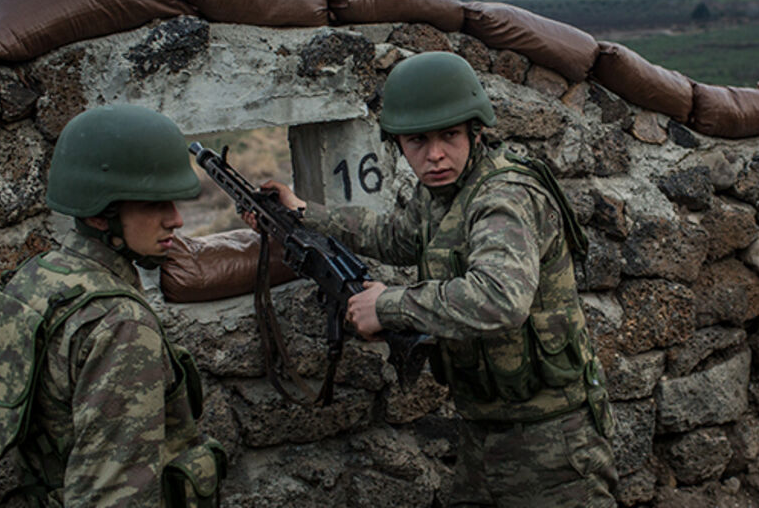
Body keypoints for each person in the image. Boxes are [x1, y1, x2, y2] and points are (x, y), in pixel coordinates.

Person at [259, 51, 618, 507]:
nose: (434, 155)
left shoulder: (504, 197)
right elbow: (393, 236)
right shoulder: (440, 192)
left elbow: (501, 299)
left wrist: (387, 305)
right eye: (416, 141)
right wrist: (304, 213)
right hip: (484, 431)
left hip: (554, 443)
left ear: (475, 129)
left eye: (449, 136)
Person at [0, 104, 227, 507]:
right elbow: (114, 496)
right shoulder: (121, 324)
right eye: (152, 204)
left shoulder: (37, 280)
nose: (175, 219)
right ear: (101, 214)